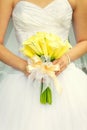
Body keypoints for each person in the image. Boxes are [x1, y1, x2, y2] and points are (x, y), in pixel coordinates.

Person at [0, 0, 87, 129]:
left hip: (65, 79)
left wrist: (66, 58)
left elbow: (84, 40)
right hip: (23, 80)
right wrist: (24, 66)